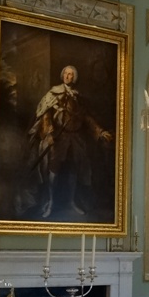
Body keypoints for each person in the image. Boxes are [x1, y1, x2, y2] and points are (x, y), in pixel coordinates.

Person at [28, 65, 113, 218]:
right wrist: (49, 134)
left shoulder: (78, 97)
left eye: (72, 74)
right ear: (62, 76)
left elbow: (87, 118)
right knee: (54, 169)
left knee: (74, 169)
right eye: (66, 74)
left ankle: (71, 202)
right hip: (58, 138)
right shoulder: (53, 93)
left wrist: (100, 131)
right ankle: (51, 202)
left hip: (75, 138)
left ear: (75, 77)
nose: (69, 77)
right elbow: (46, 116)